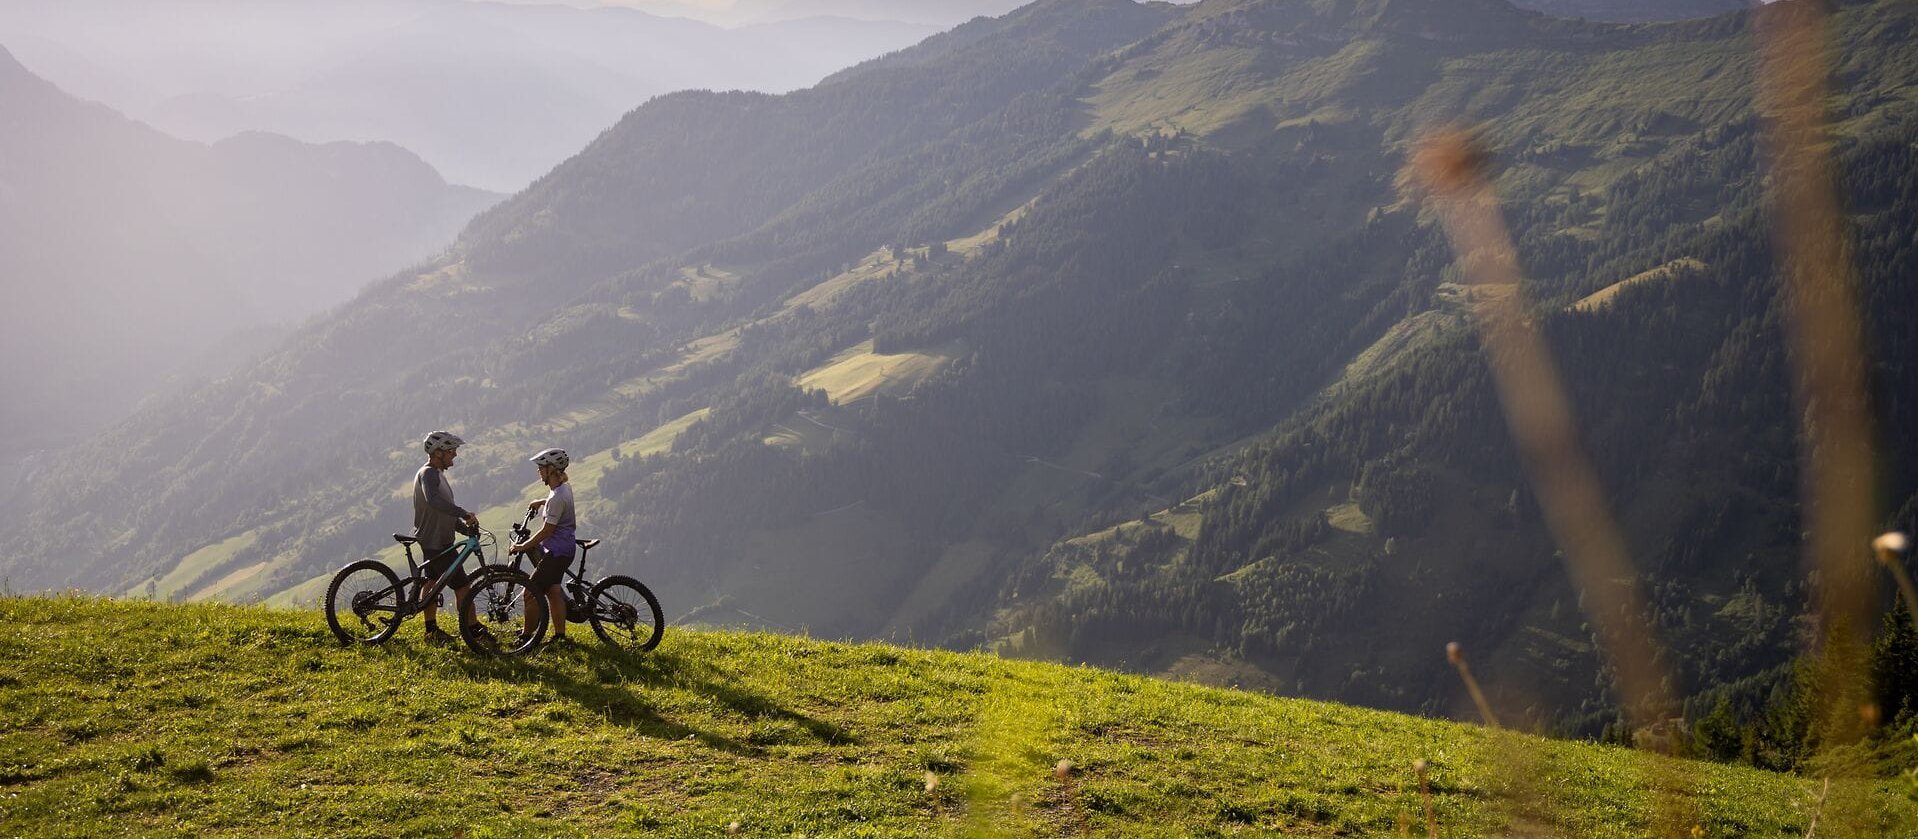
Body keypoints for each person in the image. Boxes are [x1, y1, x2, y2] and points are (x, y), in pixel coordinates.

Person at [414, 430, 481, 644]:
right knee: (462, 586)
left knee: (431, 582)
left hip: (436, 539)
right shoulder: (429, 473)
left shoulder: (437, 475)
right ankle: (473, 630)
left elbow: (443, 511)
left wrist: (462, 528)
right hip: (436, 541)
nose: (455, 455)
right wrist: (463, 512)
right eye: (451, 450)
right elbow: (433, 501)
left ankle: (431, 631)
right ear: (439, 452)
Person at [511, 447, 576, 647]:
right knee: (553, 592)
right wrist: (541, 501)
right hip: (565, 550)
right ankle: (560, 637)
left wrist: (522, 546)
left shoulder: (556, 498)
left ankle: (527, 637)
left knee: (529, 594)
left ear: (552, 470)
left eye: (541, 467)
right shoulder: (562, 489)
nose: (538, 471)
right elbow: (554, 499)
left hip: (556, 554)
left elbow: (546, 531)